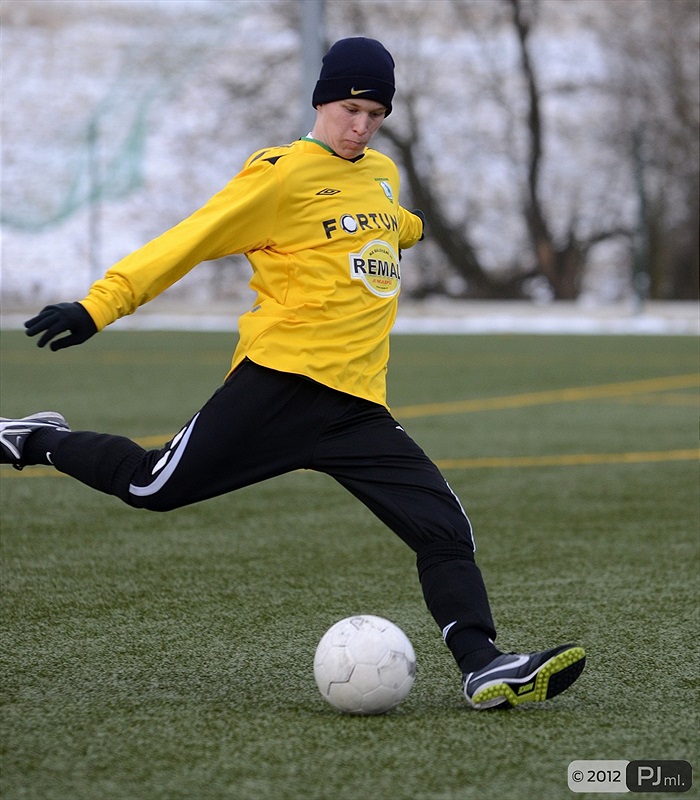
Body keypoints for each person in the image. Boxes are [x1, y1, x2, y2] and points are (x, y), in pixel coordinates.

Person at [0, 37, 585, 709]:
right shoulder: (279, 176)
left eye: (374, 113)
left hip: (357, 408)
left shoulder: (381, 174)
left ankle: (483, 664)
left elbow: (388, 222)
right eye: (349, 108)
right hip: (278, 387)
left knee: (444, 529)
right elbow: (187, 240)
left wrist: (409, 228)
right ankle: (29, 440)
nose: (360, 125)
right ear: (321, 100)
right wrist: (99, 305)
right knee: (150, 486)